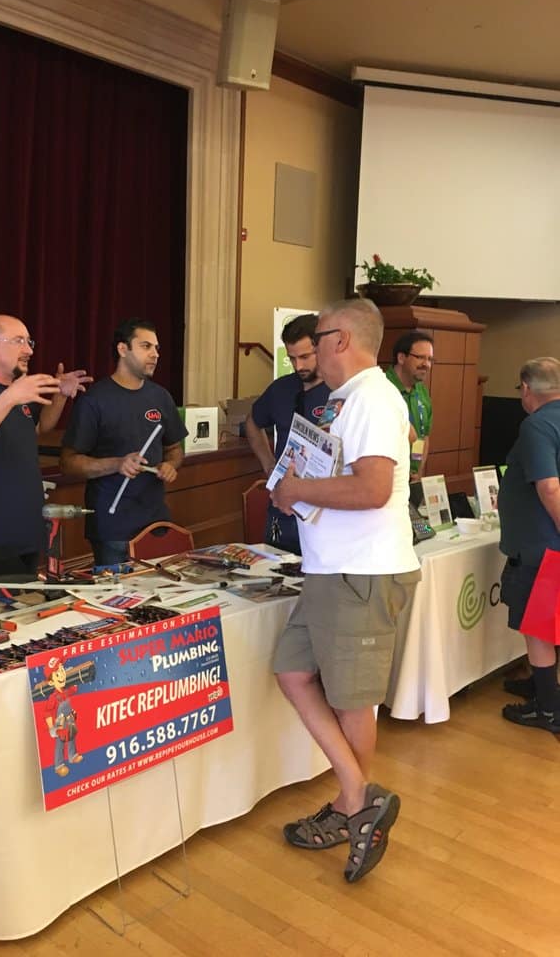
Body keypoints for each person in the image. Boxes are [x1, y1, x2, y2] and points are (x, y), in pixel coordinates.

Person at [271, 297, 421, 883]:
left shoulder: (373, 399)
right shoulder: (347, 399)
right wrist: (296, 484)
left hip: (362, 572)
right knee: (292, 671)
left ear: (341, 339)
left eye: (318, 337)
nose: (311, 349)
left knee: (352, 699)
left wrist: (296, 490)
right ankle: (359, 795)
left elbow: (372, 489)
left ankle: (350, 807)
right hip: (332, 569)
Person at [0, 314, 91, 569]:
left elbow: (37, 428)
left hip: (27, 529)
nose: (28, 350)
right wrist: (9, 398)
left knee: (26, 593)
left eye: (29, 342)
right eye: (18, 341)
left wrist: (61, 395)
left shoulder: (19, 391)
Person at [59, 318, 188, 566]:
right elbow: (68, 462)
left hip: (156, 521)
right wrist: (117, 464)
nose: (155, 354)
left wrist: (171, 465)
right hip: (113, 526)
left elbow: (174, 449)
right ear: (122, 349)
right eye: (146, 346)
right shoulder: (95, 400)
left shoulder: (161, 397)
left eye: (157, 348)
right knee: (114, 591)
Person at [498, 357, 560, 732]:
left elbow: (549, 486)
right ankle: (544, 686)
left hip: (541, 547)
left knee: (537, 627)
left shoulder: (537, 425)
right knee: (550, 624)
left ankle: (548, 709)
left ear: (525, 389)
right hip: (547, 545)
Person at [245, 314, 331, 554]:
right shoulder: (281, 388)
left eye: (305, 357)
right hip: (283, 511)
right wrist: (268, 464)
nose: (298, 366)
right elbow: (252, 422)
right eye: (292, 358)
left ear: (321, 348)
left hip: (325, 512)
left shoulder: (340, 390)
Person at [385, 331, 434, 480]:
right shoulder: (382, 388)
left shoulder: (422, 392)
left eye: (430, 359)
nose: (426, 364)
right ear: (401, 358)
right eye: (420, 357)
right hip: (387, 478)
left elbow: (423, 436)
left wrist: (418, 471)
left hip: (411, 479)